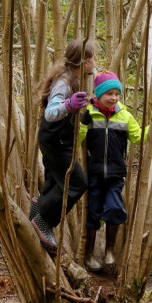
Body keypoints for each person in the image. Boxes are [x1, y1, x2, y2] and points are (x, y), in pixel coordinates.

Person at [79, 71, 152, 272]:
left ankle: (110, 250)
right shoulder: (89, 114)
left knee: (115, 208)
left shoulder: (125, 116)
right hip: (94, 173)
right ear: (99, 95)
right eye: (109, 94)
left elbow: (139, 138)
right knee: (93, 213)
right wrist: (83, 124)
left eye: (117, 94)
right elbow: (78, 140)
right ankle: (89, 255)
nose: (114, 98)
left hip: (116, 174)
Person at [30, 40, 95, 255]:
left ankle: (38, 207)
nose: (94, 62)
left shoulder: (74, 78)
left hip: (55, 139)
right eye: (92, 58)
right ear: (83, 61)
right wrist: (68, 105)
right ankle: (43, 221)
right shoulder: (64, 82)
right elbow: (51, 113)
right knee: (77, 183)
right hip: (55, 140)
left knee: (55, 180)